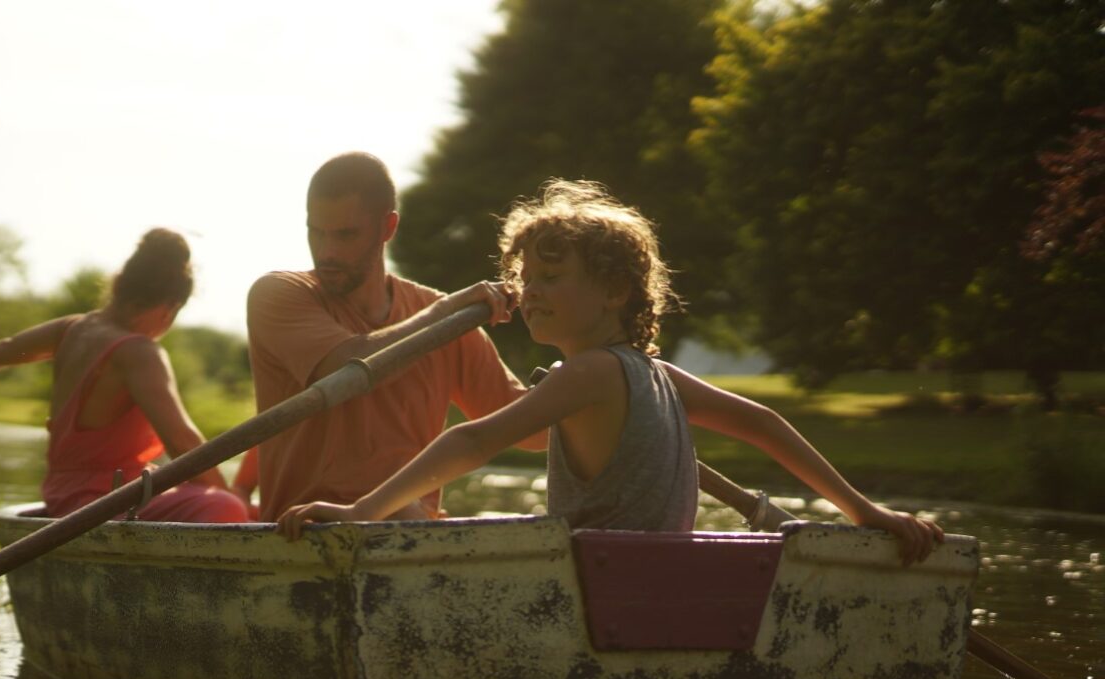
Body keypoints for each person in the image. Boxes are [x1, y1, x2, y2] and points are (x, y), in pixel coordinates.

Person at [279, 180, 944, 563]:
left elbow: (473, 440)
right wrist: (863, 511)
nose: (530, 291)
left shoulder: (589, 375)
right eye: (526, 277)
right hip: (649, 588)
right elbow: (762, 425)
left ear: (618, 292)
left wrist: (361, 511)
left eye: (552, 277)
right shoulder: (657, 376)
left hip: (600, 594)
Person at [245, 151, 544, 521]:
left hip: (409, 539)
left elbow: (532, 432)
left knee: (410, 515)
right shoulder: (278, 294)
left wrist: (585, 366)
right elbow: (348, 370)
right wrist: (442, 314)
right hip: (302, 536)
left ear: (387, 228)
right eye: (316, 232)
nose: (328, 252)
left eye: (346, 235)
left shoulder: (443, 316)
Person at [0, 228, 249, 523]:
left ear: (119, 285)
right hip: (103, 503)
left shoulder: (73, 328)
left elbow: (7, 349)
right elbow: (182, 441)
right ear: (169, 307)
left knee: (234, 503)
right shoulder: (138, 352)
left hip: (64, 494)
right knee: (225, 506)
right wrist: (230, 497)